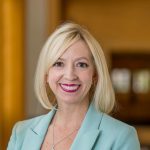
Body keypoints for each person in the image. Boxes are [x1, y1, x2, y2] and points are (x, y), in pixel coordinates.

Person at [7, 22, 140, 150]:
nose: (70, 75)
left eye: (81, 64)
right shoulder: (21, 133)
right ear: (46, 74)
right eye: (59, 64)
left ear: (94, 75)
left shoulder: (122, 137)